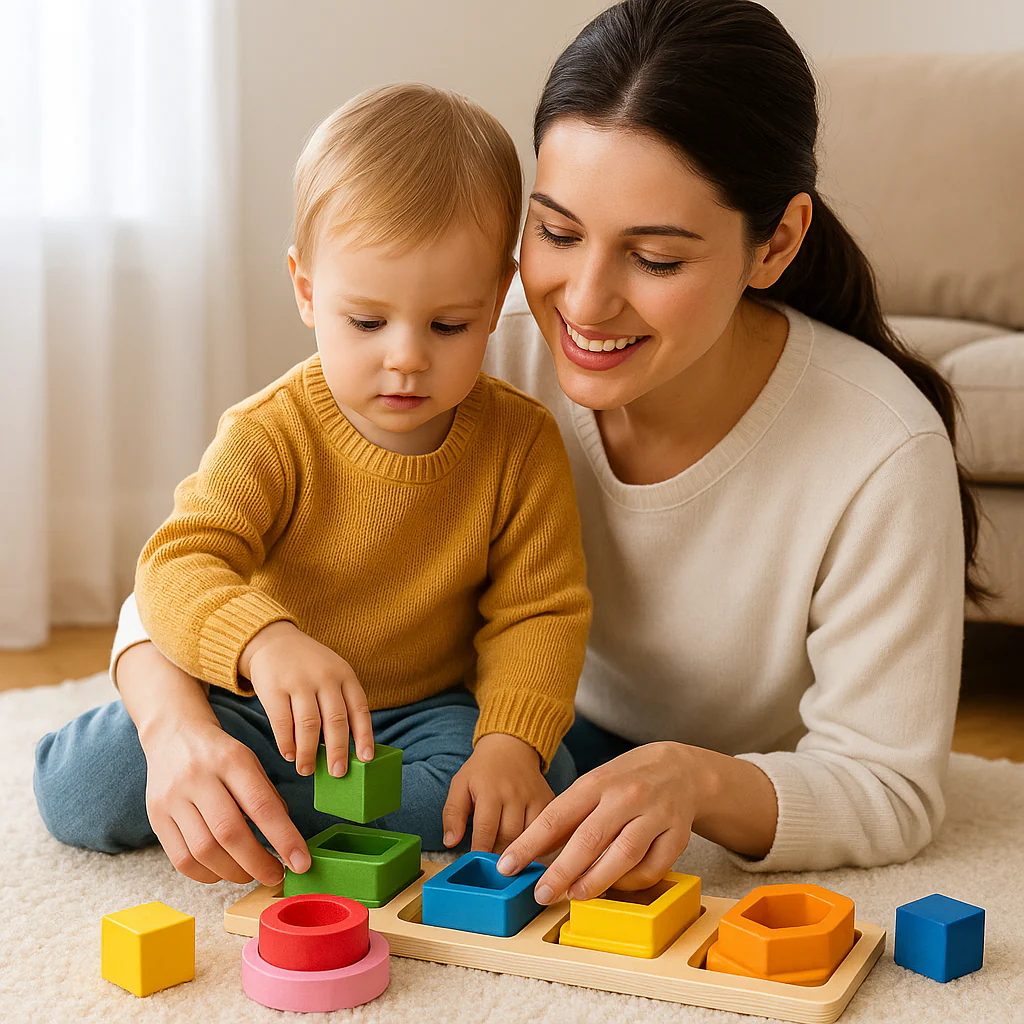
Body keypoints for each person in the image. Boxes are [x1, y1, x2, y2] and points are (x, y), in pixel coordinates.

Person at [50, 0, 981, 900]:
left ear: (776, 243)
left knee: (497, 795)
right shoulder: (458, 345)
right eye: (557, 232)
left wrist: (692, 779)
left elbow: (887, 788)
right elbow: (181, 567)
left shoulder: (878, 449)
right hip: (398, 716)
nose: (584, 303)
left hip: (503, 731)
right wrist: (176, 730)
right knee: (117, 772)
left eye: (656, 259)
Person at [32, 83, 592, 888]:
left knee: (536, 781)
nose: (407, 357)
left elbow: (539, 611)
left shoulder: (521, 442)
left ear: (497, 297)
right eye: (367, 322)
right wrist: (263, 643)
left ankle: (252, 808)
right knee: (88, 788)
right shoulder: (271, 432)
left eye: (449, 325)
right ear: (305, 289)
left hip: (418, 714)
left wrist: (509, 743)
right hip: (260, 706)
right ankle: (247, 793)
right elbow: (176, 565)